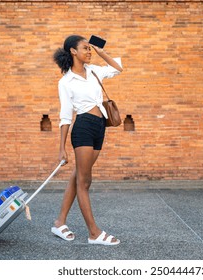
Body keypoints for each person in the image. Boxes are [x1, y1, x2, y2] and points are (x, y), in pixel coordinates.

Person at [52, 35, 123, 245]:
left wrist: (101, 52)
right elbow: (65, 116)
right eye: (86, 48)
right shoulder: (65, 82)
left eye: (90, 49)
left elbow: (118, 67)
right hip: (82, 127)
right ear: (73, 51)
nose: (89, 52)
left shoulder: (94, 71)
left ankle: (59, 222)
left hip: (99, 127)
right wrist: (62, 148)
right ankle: (94, 233)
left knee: (79, 176)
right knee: (84, 181)